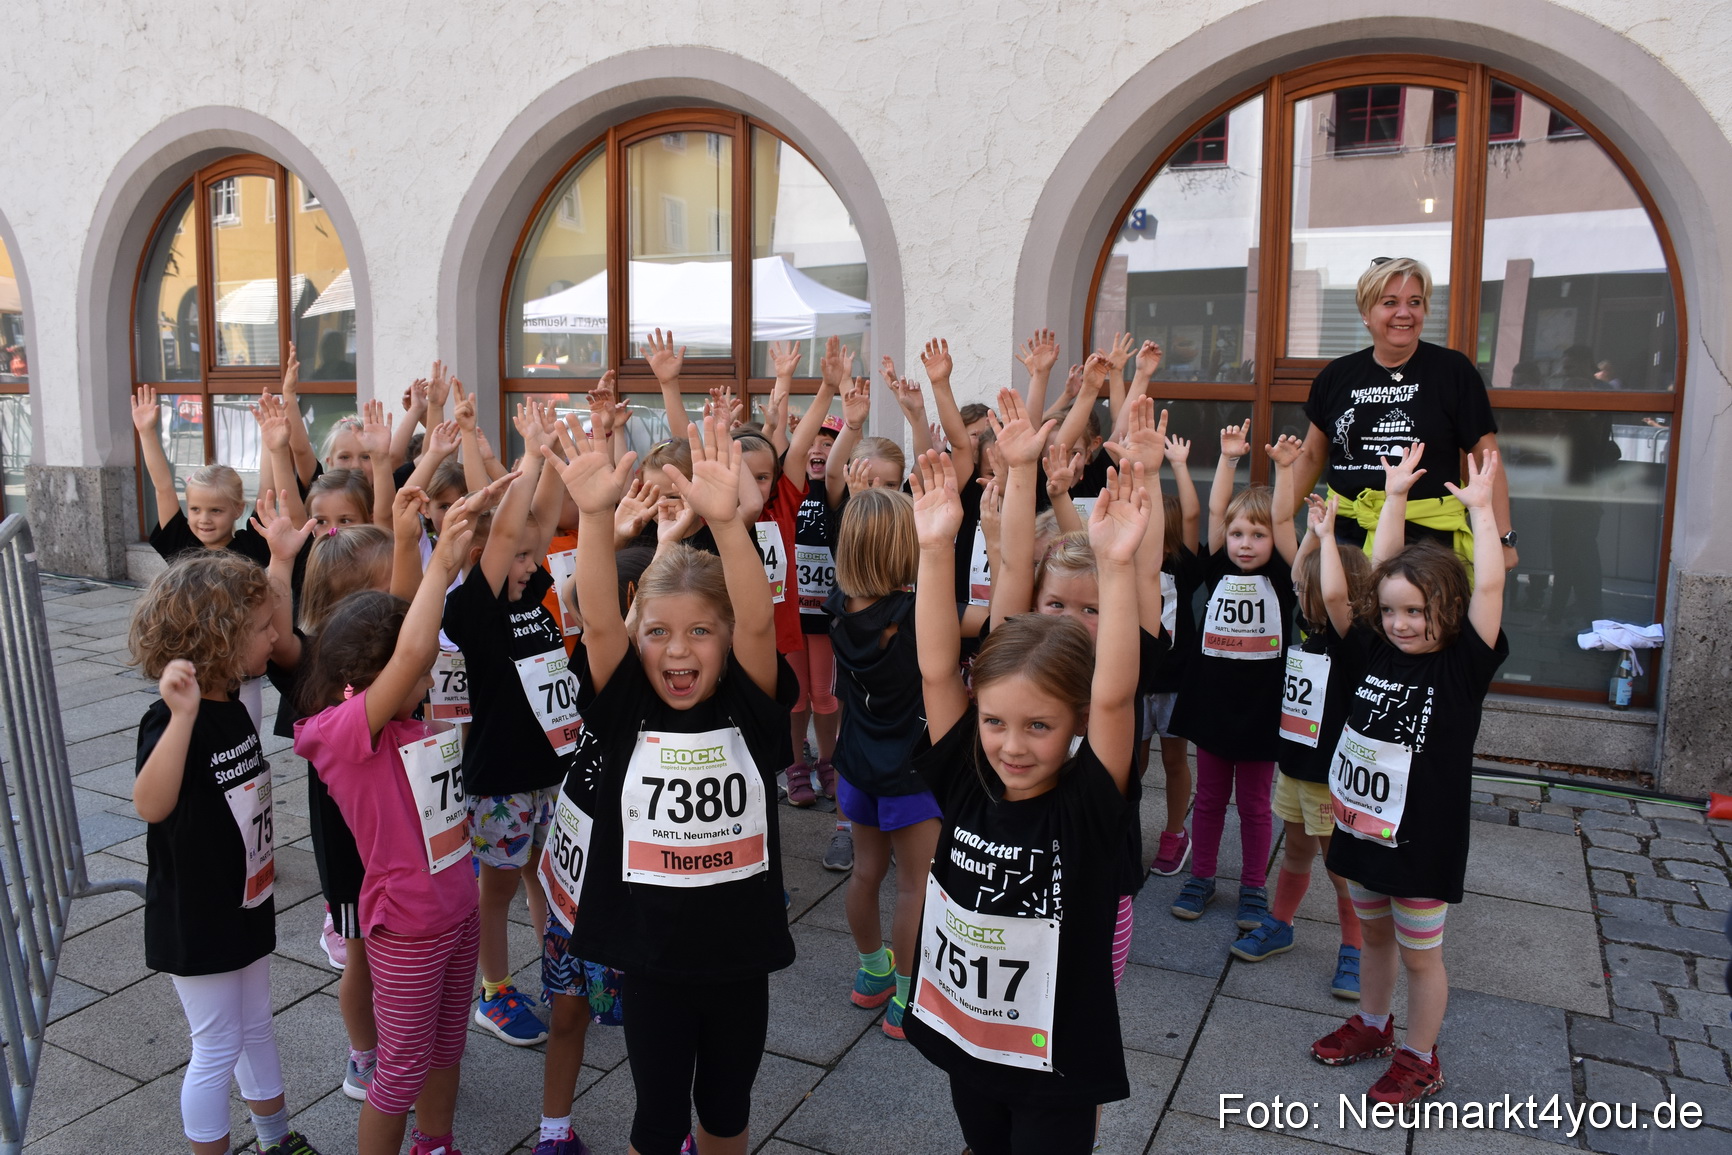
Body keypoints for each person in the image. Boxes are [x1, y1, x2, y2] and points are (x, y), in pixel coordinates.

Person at [551, 414, 796, 1155]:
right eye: (658, 631)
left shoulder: (746, 699)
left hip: (738, 953)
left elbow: (758, 621)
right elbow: (597, 623)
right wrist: (594, 520)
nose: (678, 649)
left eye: (699, 631)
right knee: (657, 1116)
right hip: (653, 954)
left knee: (726, 1108)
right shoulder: (630, 700)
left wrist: (728, 528)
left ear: (723, 639)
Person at [907, 449, 1146, 1153]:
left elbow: (1115, 692)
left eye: (1039, 725)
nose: (1012, 745)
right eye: (995, 721)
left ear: (1074, 722)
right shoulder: (965, 777)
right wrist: (932, 549)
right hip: (970, 1042)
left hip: (1056, 1064)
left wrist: (1119, 567)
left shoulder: (1088, 805)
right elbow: (933, 666)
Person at [1310, 443, 1508, 1104]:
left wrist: (1480, 511)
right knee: (1372, 932)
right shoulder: (1371, 648)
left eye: (1416, 612)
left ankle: (1421, 1055)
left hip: (1422, 840)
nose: (1399, 622)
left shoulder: (1460, 668)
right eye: (1393, 610)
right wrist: (1391, 498)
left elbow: (1490, 584)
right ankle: (1373, 1021)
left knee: (1422, 954)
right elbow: (1357, 587)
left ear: (1447, 612)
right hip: (1363, 832)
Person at [294, 492, 486, 1155]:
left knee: (445, 1047)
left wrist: (424, 545)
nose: (429, 678)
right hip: (408, 925)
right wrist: (443, 563)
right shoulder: (342, 734)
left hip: (458, 905)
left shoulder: (396, 715)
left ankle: (435, 1143)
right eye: (419, 671)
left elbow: (400, 632)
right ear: (365, 681)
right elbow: (408, 651)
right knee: (399, 1069)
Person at [129, 552, 321, 1155]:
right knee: (215, 1044)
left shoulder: (234, 701)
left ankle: (275, 1139)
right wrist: (183, 718)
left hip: (244, 896)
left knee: (257, 1024)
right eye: (262, 628)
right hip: (198, 912)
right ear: (219, 637)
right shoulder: (172, 718)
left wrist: (283, 561)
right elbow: (150, 804)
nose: (275, 637)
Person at [442, 407, 571, 1047]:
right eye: (518, 556)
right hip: (499, 778)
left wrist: (548, 455)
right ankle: (494, 993)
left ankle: (559, 968)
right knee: (494, 889)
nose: (529, 562)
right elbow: (506, 537)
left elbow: (541, 520)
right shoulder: (474, 610)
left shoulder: (529, 591)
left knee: (550, 875)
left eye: (531, 556)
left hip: (550, 769)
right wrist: (524, 458)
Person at [1229, 491, 1374, 1002]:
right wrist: (1314, 532)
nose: (1301, 592)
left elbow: (1332, 596)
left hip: (1329, 780)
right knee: (1293, 854)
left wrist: (1330, 537)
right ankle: (1281, 922)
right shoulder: (1309, 628)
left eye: (1312, 587)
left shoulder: (1351, 642)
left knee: (1341, 872)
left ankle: (1356, 950)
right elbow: (1302, 578)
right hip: (1293, 768)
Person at [1294, 257, 1516, 571]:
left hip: (1429, 545)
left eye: (1414, 302)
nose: (1404, 313)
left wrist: (1503, 539)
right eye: (1390, 302)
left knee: (1417, 621)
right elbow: (1311, 456)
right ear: (1365, 314)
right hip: (1345, 541)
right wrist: (1275, 524)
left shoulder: (1452, 371)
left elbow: (1484, 459)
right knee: (1343, 621)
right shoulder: (1337, 375)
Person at [1167, 422, 1300, 928]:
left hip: (1263, 705)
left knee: (1256, 805)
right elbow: (1218, 513)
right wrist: (1227, 461)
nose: (1245, 544)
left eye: (1257, 535)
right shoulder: (1220, 566)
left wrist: (1286, 471)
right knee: (1211, 798)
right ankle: (1201, 876)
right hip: (1214, 701)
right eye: (1240, 534)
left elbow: (1286, 523)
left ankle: (1252, 887)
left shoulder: (1284, 575)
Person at [824, 485, 935, 1040]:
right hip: (912, 771)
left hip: (856, 763)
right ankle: (907, 1002)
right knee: (916, 887)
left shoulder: (837, 609)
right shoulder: (917, 615)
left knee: (865, 874)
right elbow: (990, 616)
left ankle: (873, 974)